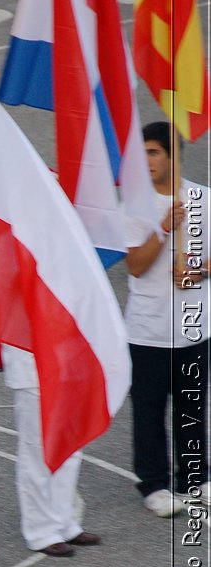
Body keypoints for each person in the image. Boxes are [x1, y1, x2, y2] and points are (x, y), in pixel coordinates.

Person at [125, 122, 210, 517]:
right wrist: (162, 229)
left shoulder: (202, 200)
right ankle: (154, 483)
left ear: (173, 155)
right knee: (148, 410)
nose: (147, 161)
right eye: (141, 154)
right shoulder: (135, 205)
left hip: (193, 328)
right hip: (148, 331)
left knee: (191, 406)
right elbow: (136, 266)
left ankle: (194, 476)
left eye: (153, 153)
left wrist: (198, 271)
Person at [1, 344, 100, 556]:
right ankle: (40, 531)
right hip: (32, 366)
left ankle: (64, 522)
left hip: (69, 360)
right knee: (36, 452)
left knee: (70, 449)